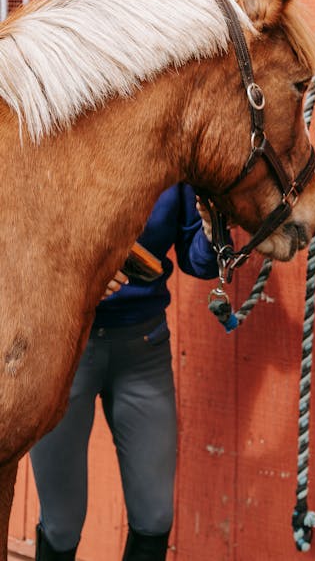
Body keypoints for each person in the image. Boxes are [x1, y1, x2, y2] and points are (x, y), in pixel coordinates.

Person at [31, 184, 219, 561]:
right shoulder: (57, 134)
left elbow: (198, 262)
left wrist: (213, 234)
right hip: (65, 347)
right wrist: (81, 275)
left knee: (155, 515)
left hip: (143, 346)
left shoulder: (174, 161)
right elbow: (23, 239)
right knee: (61, 524)